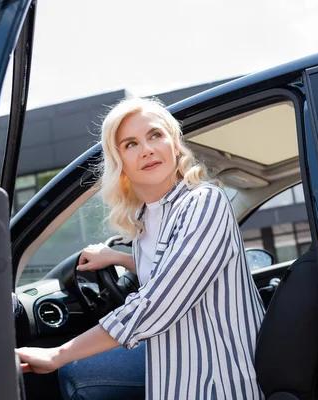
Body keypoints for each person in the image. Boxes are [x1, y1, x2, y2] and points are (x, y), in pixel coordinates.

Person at [15, 97, 266, 400]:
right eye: (130, 144)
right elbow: (170, 265)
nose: (147, 149)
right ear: (119, 161)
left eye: (155, 135)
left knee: (77, 373)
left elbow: (158, 302)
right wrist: (118, 258)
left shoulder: (203, 202)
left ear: (174, 143)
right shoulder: (147, 218)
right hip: (174, 364)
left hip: (217, 376)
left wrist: (59, 354)